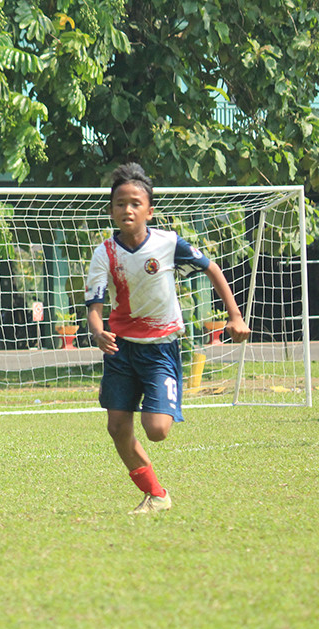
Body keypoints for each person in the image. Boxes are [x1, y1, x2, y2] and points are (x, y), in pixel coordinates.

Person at [84, 162, 250, 514]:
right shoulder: (104, 253)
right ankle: (156, 494)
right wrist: (98, 331)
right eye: (119, 203)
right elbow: (95, 304)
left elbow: (212, 270)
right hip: (121, 349)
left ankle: (161, 408)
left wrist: (235, 316)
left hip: (160, 349)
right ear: (111, 209)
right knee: (117, 427)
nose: (127, 209)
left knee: (156, 429)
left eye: (135, 203)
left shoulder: (168, 243)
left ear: (149, 209)